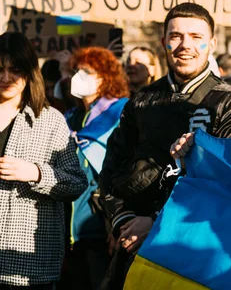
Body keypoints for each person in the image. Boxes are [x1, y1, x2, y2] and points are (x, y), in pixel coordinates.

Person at [98, 3, 231, 288]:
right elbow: (112, 168)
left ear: (212, 43)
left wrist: (157, 222)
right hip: (134, 248)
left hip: (196, 249)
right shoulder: (141, 100)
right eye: (176, 36)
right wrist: (125, 220)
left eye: (196, 36)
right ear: (163, 43)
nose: (185, 45)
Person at [0, 32, 87, 288]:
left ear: (29, 72)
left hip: (28, 265)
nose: (5, 78)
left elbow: (75, 183)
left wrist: (36, 173)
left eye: (14, 69)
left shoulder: (50, 121)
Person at [60, 47, 129, 290]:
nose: (78, 76)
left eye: (86, 72)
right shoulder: (70, 117)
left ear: (105, 76)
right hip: (69, 226)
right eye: (75, 71)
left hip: (99, 224)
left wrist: (117, 222)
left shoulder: (121, 111)